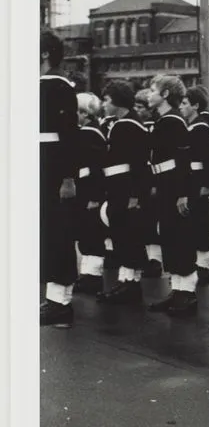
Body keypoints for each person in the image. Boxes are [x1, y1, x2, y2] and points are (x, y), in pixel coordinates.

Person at [145, 75, 197, 316]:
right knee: (168, 236)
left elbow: (183, 161)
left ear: (165, 95)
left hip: (175, 186)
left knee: (180, 238)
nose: (148, 93)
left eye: (153, 89)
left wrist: (182, 194)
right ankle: (177, 290)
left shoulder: (174, 121)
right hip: (165, 184)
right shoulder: (164, 120)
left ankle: (187, 294)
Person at [96, 81, 150, 305]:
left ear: (117, 101)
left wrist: (135, 195)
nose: (104, 104)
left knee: (127, 236)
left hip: (125, 188)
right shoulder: (123, 124)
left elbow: (138, 163)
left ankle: (131, 285)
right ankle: (127, 281)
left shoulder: (127, 126)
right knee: (123, 236)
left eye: (107, 100)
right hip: (120, 186)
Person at [40, 31, 80, 327]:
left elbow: (69, 136)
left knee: (58, 232)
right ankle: (54, 298)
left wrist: (68, 177)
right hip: (43, 165)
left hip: (54, 168)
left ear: (44, 54)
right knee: (48, 232)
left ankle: (61, 302)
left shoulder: (59, 86)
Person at [179, 85, 209, 286]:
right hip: (191, 179)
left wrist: (206, 185)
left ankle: (203, 266)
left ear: (195, 105)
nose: (182, 107)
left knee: (201, 224)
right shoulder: (192, 125)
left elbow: (207, 158)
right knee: (194, 223)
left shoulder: (201, 126)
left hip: (199, 180)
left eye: (185, 104)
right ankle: (197, 264)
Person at [74, 92, 109, 296]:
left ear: (84, 113)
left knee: (92, 234)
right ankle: (87, 274)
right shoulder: (87, 132)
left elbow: (96, 167)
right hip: (85, 191)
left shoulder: (91, 134)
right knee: (86, 233)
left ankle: (93, 276)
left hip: (90, 192)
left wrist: (95, 197)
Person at [133, 88, 163, 279]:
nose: (137, 110)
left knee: (153, 220)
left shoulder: (154, 126)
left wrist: (153, 183)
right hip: (143, 178)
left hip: (153, 178)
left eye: (140, 107)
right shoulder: (139, 125)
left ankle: (156, 260)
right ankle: (148, 257)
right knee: (144, 219)